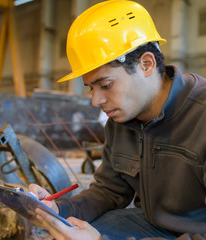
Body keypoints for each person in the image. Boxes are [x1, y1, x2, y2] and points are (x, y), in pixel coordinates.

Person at [29, 1, 206, 239]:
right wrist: (58, 209)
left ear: (146, 64)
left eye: (105, 85)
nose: (96, 101)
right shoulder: (122, 121)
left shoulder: (201, 116)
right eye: (91, 88)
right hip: (151, 225)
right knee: (67, 229)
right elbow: (109, 191)